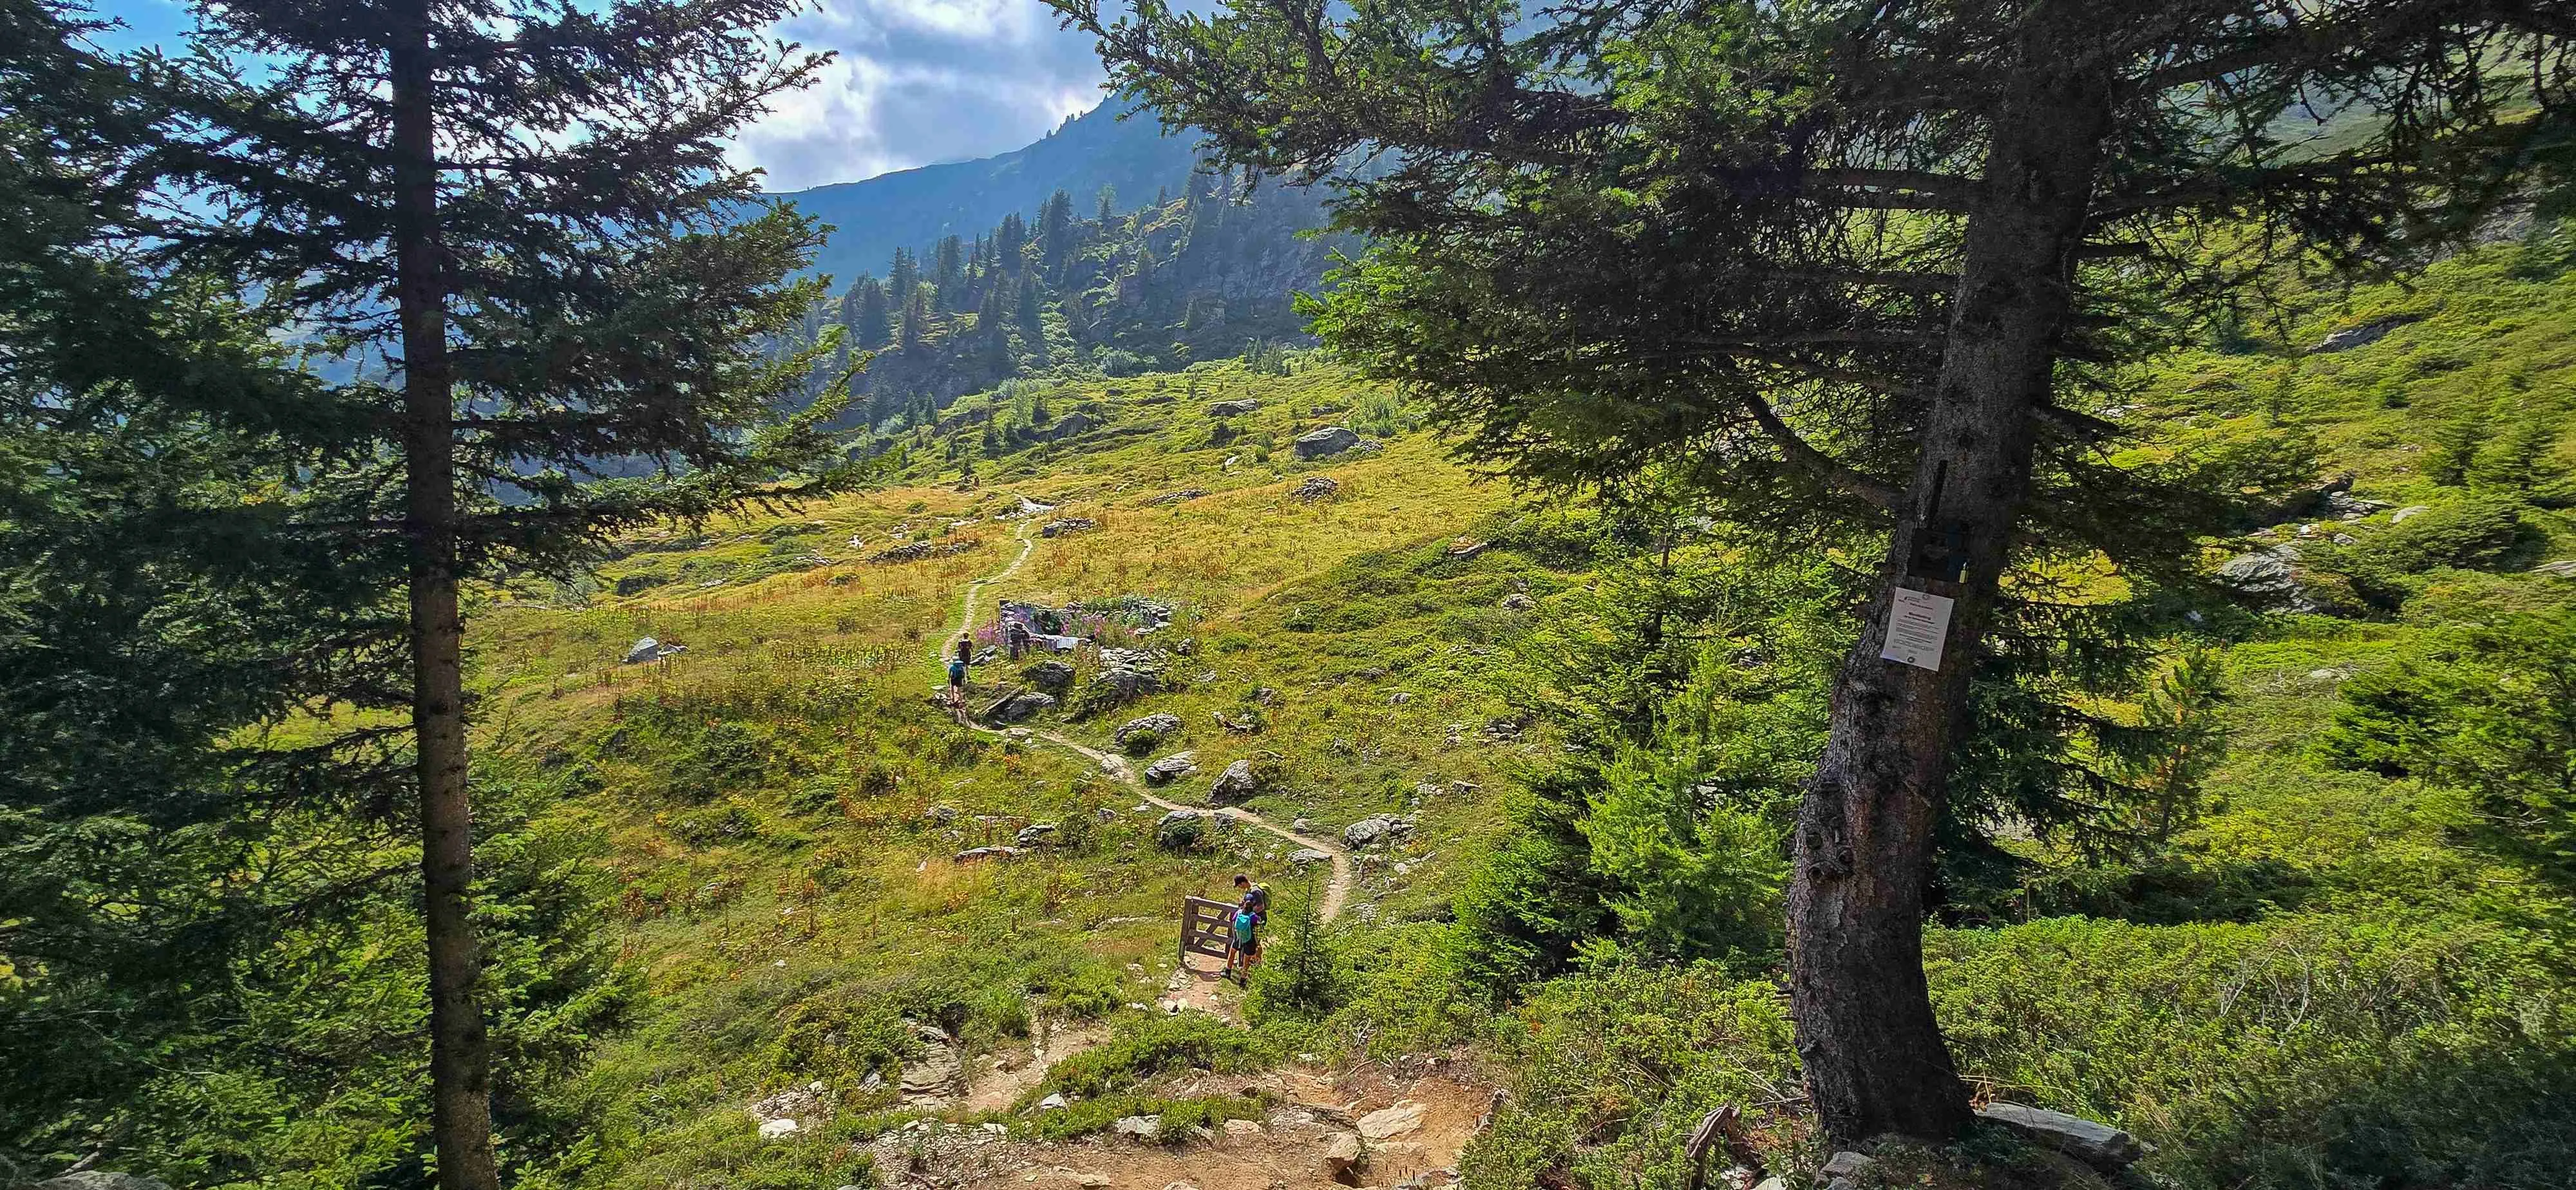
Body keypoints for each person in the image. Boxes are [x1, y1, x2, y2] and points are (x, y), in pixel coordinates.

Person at [1226, 873, 1270, 984]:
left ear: (1243, 883)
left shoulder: (1255, 891)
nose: (1240, 888)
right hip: (1253, 923)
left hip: (1255, 923)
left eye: (1239, 885)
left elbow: (1261, 907)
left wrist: (1248, 914)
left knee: (1256, 944)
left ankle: (1255, 964)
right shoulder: (1250, 891)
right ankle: (1246, 971)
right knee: (1250, 947)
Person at [947, 632, 972, 719]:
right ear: (968, 636)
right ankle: (961, 701)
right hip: (967, 655)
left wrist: (949, 679)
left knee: (954, 689)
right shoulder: (969, 641)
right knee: (966, 666)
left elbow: (958, 648)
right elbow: (971, 648)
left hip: (954, 678)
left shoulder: (961, 642)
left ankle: (953, 699)